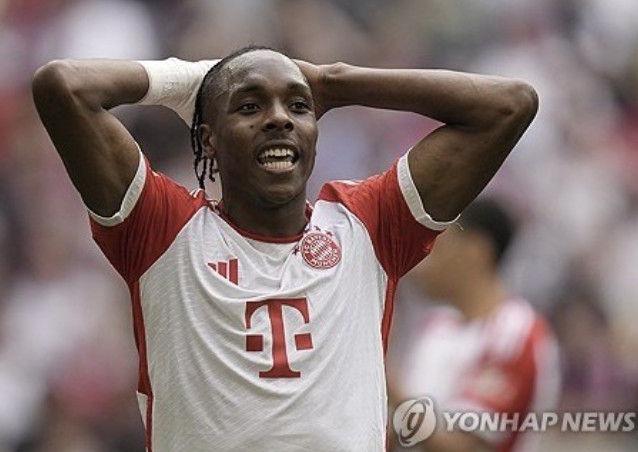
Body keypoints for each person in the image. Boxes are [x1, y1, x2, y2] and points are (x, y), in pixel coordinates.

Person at [31, 45, 538, 451]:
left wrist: (333, 81)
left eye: (298, 106)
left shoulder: (369, 225)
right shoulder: (161, 229)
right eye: (249, 106)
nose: (279, 119)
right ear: (207, 140)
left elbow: (509, 105)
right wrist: (191, 79)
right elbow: (65, 86)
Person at [392, 199, 560, 451]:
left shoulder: (516, 333)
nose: (421, 266)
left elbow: (464, 445)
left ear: (475, 251)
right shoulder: (436, 326)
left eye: (437, 248)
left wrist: (385, 378)